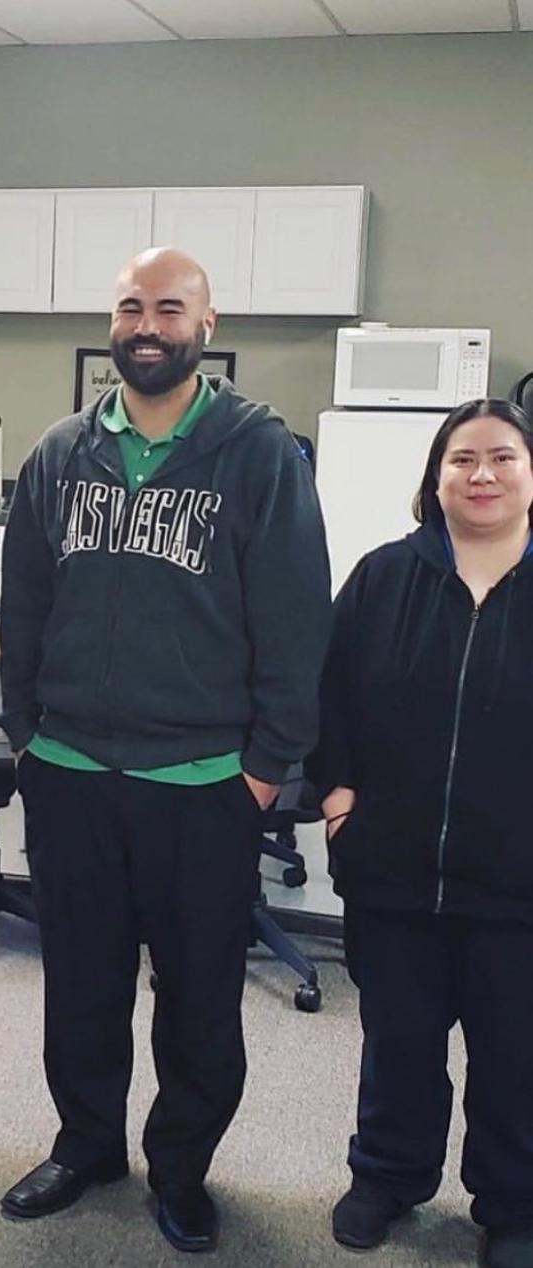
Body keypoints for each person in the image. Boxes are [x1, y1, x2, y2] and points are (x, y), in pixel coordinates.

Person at [0, 248, 330, 1250]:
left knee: (198, 1001)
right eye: (132, 306)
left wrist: (266, 768)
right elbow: (24, 607)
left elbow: (296, 621)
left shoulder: (258, 453)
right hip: (72, 773)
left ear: (206, 325)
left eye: (170, 308)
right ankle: (87, 1142)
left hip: (203, 784)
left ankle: (181, 1169)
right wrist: (28, 735)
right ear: (113, 322)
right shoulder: (61, 451)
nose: (148, 324)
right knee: (81, 985)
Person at [309, 399, 533, 1268]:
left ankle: (513, 1206)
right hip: (393, 871)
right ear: (435, 477)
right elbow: (330, 695)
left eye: (503, 457)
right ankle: (387, 1177)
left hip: (517, 884)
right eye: (462, 459)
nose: (482, 475)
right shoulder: (383, 578)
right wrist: (338, 802)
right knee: (398, 1043)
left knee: (514, 1054)